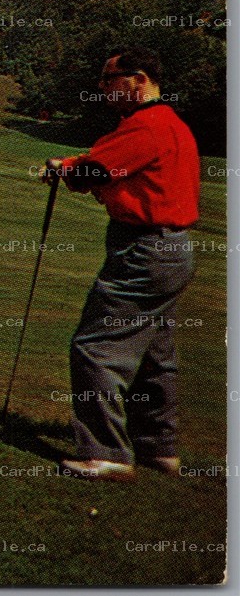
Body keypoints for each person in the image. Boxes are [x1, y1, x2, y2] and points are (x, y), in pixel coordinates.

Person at [44, 47, 200, 480]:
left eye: (109, 79)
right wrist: (76, 167)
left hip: (143, 251)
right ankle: (159, 451)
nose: (103, 88)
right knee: (154, 357)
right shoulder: (171, 125)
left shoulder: (144, 126)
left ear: (138, 80)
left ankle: (107, 454)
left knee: (96, 347)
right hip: (173, 250)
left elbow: (92, 173)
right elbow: (111, 166)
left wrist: (64, 171)